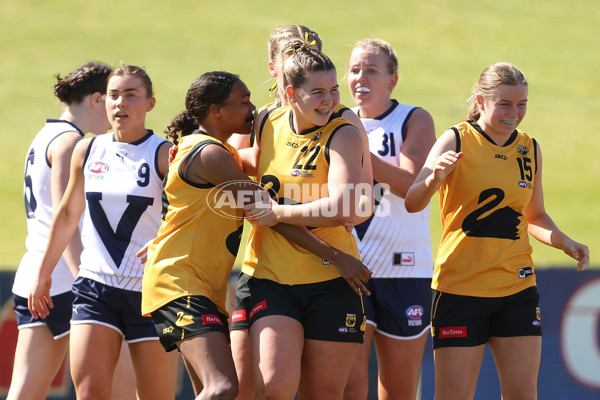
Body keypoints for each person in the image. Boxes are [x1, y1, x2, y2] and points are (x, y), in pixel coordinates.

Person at [141, 70, 371, 400]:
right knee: (223, 387)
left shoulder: (219, 152)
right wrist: (335, 256)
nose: (253, 110)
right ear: (216, 110)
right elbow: (269, 215)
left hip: (199, 285)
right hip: (180, 283)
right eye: (244, 101)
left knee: (211, 390)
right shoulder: (212, 155)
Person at [404, 61, 589, 400]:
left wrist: (565, 242)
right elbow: (413, 202)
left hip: (516, 288)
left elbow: (535, 216)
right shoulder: (455, 139)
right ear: (481, 100)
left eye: (522, 104)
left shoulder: (529, 148)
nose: (514, 113)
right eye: (505, 104)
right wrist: (434, 179)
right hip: (460, 288)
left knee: (523, 394)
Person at [228, 24, 373, 400]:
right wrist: (198, 153)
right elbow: (250, 164)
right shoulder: (265, 121)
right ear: (291, 93)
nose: (330, 100)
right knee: (273, 386)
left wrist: (277, 213)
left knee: (323, 393)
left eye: (333, 90)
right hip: (270, 276)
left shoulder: (344, 129)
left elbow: (346, 205)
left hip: (333, 279)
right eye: (318, 92)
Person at [28, 64, 179, 400]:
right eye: (114, 95)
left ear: (149, 104)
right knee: (91, 392)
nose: (120, 103)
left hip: (150, 292)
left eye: (131, 95)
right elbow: (67, 212)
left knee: (156, 395)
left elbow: (187, 217)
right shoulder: (88, 149)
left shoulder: (164, 154)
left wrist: (164, 242)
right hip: (95, 289)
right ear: (104, 102)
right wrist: (43, 274)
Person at [8, 62, 138, 400]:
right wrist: (86, 282)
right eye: (111, 99)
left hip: (37, 274)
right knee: (120, 384)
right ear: (97, 100)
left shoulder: (45, 135)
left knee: (27, 388)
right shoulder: (70, 144)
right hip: (68, 280)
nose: (115, 109)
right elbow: (65, 220)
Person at [343, 38, 436, 400]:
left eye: (371, 70)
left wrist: (360, 150)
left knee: (398, 390)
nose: (360, 77)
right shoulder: (335, 123)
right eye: (354, 70)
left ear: (392, 80)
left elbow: (412, 184)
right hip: (352, 268)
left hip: (406, 269)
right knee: (350, 385)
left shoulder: (414, 118)